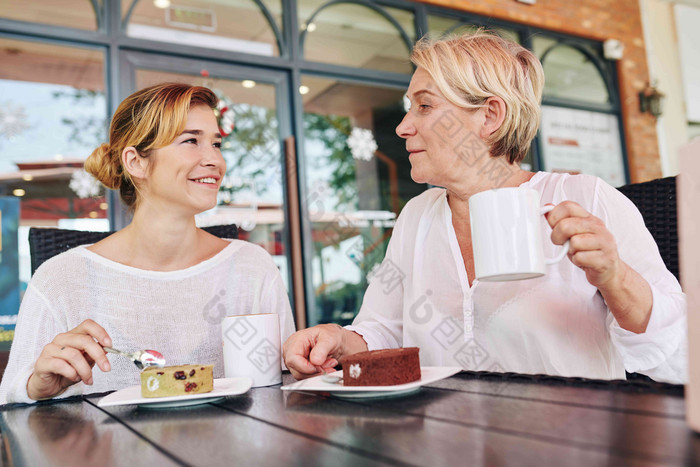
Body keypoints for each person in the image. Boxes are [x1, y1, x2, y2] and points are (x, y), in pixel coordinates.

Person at [283, 32, 686, 384]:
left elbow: (679, 352)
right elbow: (384, 330)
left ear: (490, 115)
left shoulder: (587, 199)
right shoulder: (418, 216)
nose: (403, 127)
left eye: (424, 106)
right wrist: (338, 339)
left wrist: (614, 277)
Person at [0, 83, 295, 404]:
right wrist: (34, 388)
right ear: (136, 162)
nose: (214, 160)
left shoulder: (253, 267)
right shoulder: (59, 279)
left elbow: (284, 389)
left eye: (217, 143)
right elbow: (11, 401)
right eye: (191, 141)